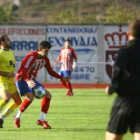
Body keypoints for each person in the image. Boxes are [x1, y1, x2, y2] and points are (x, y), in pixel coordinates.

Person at [14, 40, 70, 129]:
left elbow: (50, 71)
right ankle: (17, 116)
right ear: (40, 49)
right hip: (22, 79)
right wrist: (28, 81)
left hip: (31, 80)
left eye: (48, 51)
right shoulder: (31, 56)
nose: (47, 53)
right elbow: (24, 71)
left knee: (48, 95)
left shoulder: (45, 59)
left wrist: (62, 77)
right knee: (30, 97)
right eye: (46, 51)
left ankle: (42, 119)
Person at [105, 19, 140, 140]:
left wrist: (111, 89)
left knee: (113, 136)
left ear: (128, 33)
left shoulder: (126, 50)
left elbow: (118, 71)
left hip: (126, 100)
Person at [0, 34, 22, 128]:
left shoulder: (11, 52)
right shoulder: (0, 53)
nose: (10, 41)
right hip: (1, 80)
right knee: (6, 98)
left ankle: (1, 118)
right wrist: (7, 74)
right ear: (2, 42)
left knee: (17, 101)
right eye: (7, 40)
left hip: (10, 80)